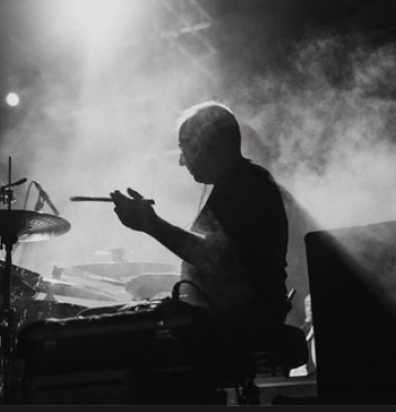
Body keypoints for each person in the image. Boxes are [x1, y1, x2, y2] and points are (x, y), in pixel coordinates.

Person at [110, 101, 291, 333]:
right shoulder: (241, 181)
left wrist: (151, 223)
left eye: (184, 146)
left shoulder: (245, 185)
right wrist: (166, 281)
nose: (181, 160)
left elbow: (216, 258)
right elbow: (231, 272)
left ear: (208, 143)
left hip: (241, 334)